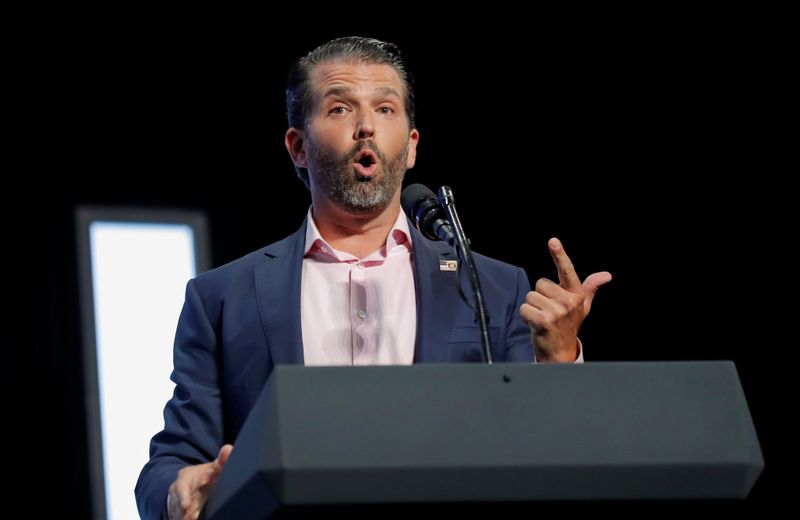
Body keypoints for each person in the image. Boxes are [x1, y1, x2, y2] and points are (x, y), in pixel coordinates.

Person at [135, 36, 612, 520]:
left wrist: (558, 363)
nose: (366, 127)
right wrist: (178, 493)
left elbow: (544, 455)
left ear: (410, 146)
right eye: (340, 109)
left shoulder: (491, 286)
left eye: (385, 110)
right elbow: (169, 465)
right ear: (298, 146)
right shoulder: (222, 298)